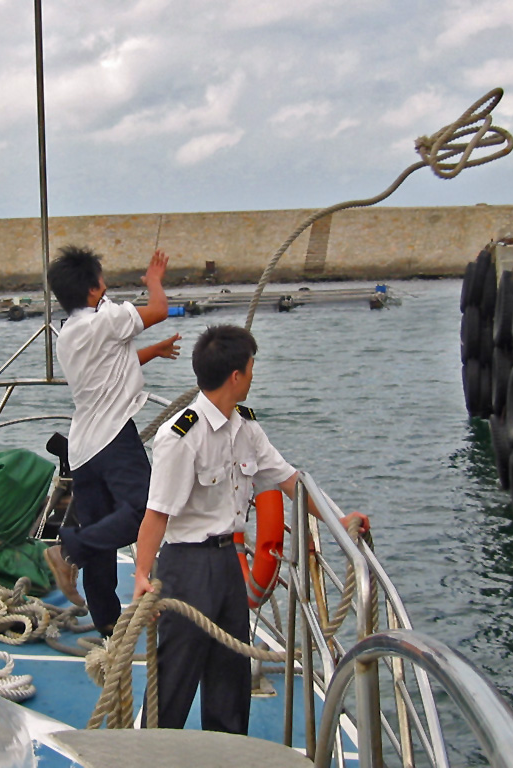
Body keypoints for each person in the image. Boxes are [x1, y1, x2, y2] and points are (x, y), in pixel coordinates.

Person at [133, 324, 370, 733]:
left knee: (230, 682)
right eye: (252, 365)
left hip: (229, 566)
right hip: (186, 569)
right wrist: (141, 574)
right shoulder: (181, 436)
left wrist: (339, 521)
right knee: (173, 684)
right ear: (236, 376)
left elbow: (290, 481)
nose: (255, 372)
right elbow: (157, 514)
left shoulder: (247, 428)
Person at [44, 244, 181, 636]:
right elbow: (158, 310)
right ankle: (68, 550)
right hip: (113, 437)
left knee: (102, 539)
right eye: (100, 279)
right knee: (146, 511)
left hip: (83, 446)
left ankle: (107, 626)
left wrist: (153, 352)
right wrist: (153, 281)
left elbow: (111, 367)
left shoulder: (70, 331)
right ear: (92, 289)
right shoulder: (106, 319)